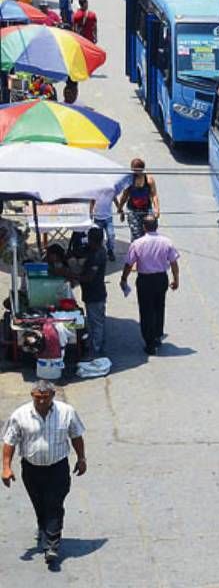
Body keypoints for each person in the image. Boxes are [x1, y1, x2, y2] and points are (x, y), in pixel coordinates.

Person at [2, 380, 87, 567]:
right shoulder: (20, 415)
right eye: (37, 398)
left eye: (45, 398)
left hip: (58, 467)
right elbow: (10, 441)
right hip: (31, 469)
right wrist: (6, 467)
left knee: (54, 504)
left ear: (52, 396)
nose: (41, 401)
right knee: (39, 502)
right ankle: (43, 527)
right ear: (32, 396)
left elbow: (76, 436)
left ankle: (52, 546)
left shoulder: (66, 412)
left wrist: (81, 459)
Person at [119, 216, 180, 355]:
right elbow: (174, 263)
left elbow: (129, 264)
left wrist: (124, 279)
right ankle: (157, 335)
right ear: (156, 226)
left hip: (145, 280)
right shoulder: (167, 242)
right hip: (161, 279)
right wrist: (176, 279)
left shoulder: (137, 243)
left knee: (146, 310)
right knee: (159, 307)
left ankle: (150, 342)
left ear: (144, 227)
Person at [76, 227, 107, 358]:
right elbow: (80, 252)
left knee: (96, 323)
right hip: (90, 293)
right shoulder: (92, 251)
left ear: (94, 241)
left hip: (96, 294)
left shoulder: (99, 255)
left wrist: (70, 274)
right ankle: (93, 345)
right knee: (92, 321)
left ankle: (96, 349)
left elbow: (88, 277)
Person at [117, 158, 159, 241]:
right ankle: (136, 249)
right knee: (136, 234)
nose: (134, 172)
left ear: (141, 169)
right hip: (133, 209)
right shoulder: (130, 180)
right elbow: (125, 196)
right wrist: (120, 208)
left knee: (150, 231)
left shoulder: (149, 180)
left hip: (146, 208)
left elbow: (154, 195)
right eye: (133, 170)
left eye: (136, 170)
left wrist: (157, 209)